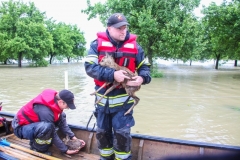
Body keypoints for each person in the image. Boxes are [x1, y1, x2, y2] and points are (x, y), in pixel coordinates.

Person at [85, 13, 151, 160]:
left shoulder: (136, 48)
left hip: (123, 106)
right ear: (109, 28)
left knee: (122, 136)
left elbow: (145, 68)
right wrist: (112, 75)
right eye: (119, 28)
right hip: (102, 105)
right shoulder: (96, 45)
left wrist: (142, 78)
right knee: (102, 134)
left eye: (125, 28)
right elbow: (89, 68)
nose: (123, 31)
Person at [11, 89, 86, 155]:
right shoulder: (45, 111)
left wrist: (75, 139)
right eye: (67, 106)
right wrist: (65, 150)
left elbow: (63, 125)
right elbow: (52, 132)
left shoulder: (55, 103)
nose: (68, 108)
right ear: (60, 102)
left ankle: (38, 141)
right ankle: (37, 149)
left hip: (33, 125)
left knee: (62, 115)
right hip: (20, 128)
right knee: (47, 127)